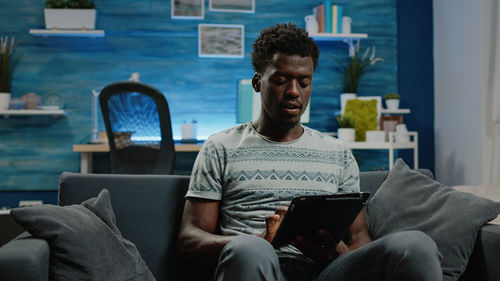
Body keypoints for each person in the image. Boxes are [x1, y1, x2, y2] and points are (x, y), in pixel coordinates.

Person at [177, 23, 443, 281]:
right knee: (251, 250)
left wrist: (338, 254)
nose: (294, 92)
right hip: (258, 266)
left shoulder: (337, 153)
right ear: (258, 83)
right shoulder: (220, 147)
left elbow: (359, 239)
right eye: (281, 81)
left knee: (416, 245)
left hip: (326, 271)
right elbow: (190, 238)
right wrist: (259, 241)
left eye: (304, 82)